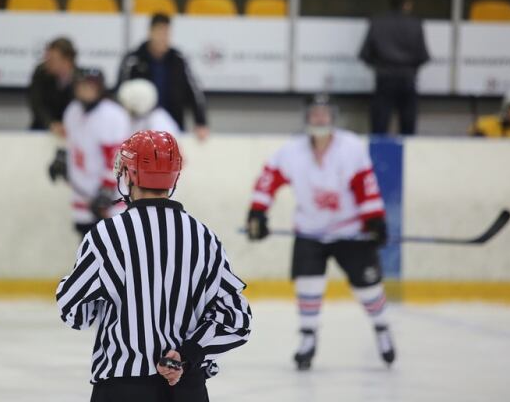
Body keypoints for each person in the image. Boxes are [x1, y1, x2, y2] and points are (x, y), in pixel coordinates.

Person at [57, 130, 251, 401]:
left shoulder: (107, 235)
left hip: (122, 387)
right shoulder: (204, 237)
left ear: (129, 174)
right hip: (187, 389)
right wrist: (187, 354)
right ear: (174, 177)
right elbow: (237, 320)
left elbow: (74, 312)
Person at [246, 95, 395, 370]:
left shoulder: (350, 147)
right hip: (310, 231)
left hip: (350, 231)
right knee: (308, 286)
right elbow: (268, 179)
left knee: (368, 289)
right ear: (307, 117)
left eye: (325, 113)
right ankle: (307, 339)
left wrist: (375, 220)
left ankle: (382, 329)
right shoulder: (291, 151)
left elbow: (366, 184)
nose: (320, 118)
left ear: (332, 117)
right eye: (315, 113)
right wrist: (258, 212)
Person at [53, 67, 130, 235]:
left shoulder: (112, 115)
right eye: (81, 86)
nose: (85, 90)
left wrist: (106, 191)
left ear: (100, 88)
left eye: (90, 86)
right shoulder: (72, 111)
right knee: (87, 246)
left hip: (109, 197)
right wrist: (62, 158)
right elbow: (72, 144)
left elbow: (117, 158)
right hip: (83, 192)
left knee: (115, 248)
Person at [118, 13, 209, 141]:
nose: (162, 37)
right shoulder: (133, 59)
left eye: (166, 33)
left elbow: (194, 92)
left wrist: (201, 122)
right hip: (138, 127)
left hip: (173, 125)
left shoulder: (178, 59)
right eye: (159, 32)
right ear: (150, 32)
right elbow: (121, 92)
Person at [359, 0, 430, 135]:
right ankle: (410, 156)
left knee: (379, 128)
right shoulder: (415, 23)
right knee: (408, 129)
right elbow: (423, 56)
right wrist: (410, 68)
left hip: (384, 78)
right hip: (408, 79)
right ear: (407, 4)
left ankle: (378, 156)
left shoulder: (377, 22)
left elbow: (365, 54)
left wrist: (380, 66)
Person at [29, 37, 77, 136]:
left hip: (73, 132)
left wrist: (69, 125)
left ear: (67, 60)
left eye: (52, 59)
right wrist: (51, 124)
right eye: (47, 58)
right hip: (42, 129)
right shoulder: (40, 73)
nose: (47, 62)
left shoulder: (81, 80)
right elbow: (37, 104)